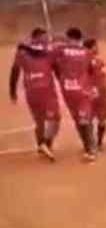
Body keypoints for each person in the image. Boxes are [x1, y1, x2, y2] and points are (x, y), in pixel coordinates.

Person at [8, 27, 60, 161]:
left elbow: (15, 71)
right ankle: (46, 144)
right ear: (37, 37)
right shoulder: (47, 50)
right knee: (55, 119)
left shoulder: (22, 51)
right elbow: (56, 68)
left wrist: (12, 91)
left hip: (31, 91)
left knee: (40, 121)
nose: (45, 39)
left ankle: (40, 145)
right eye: (44, 37)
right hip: (46, 91)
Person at [52, 27, 97, 161]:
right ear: (79, 38)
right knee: (85, 119)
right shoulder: (86, 52)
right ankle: (91, 150)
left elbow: (54, 65)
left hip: (67, 91)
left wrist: (60, 77)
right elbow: (91, 70)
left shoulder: (60, 50)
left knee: (78, 119)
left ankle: (87, 146)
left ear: (69, 37)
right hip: (82, 90)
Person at [84, 38, 106, 152]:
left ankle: (90, 144)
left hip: (87, 93)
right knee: (102, 120)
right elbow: (103, 79)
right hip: (100, 93)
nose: (98, 48)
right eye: (96, 46)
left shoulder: (79, 61)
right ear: (92, 47)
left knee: (88, 120)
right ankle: (99, 143)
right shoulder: (100, 61)